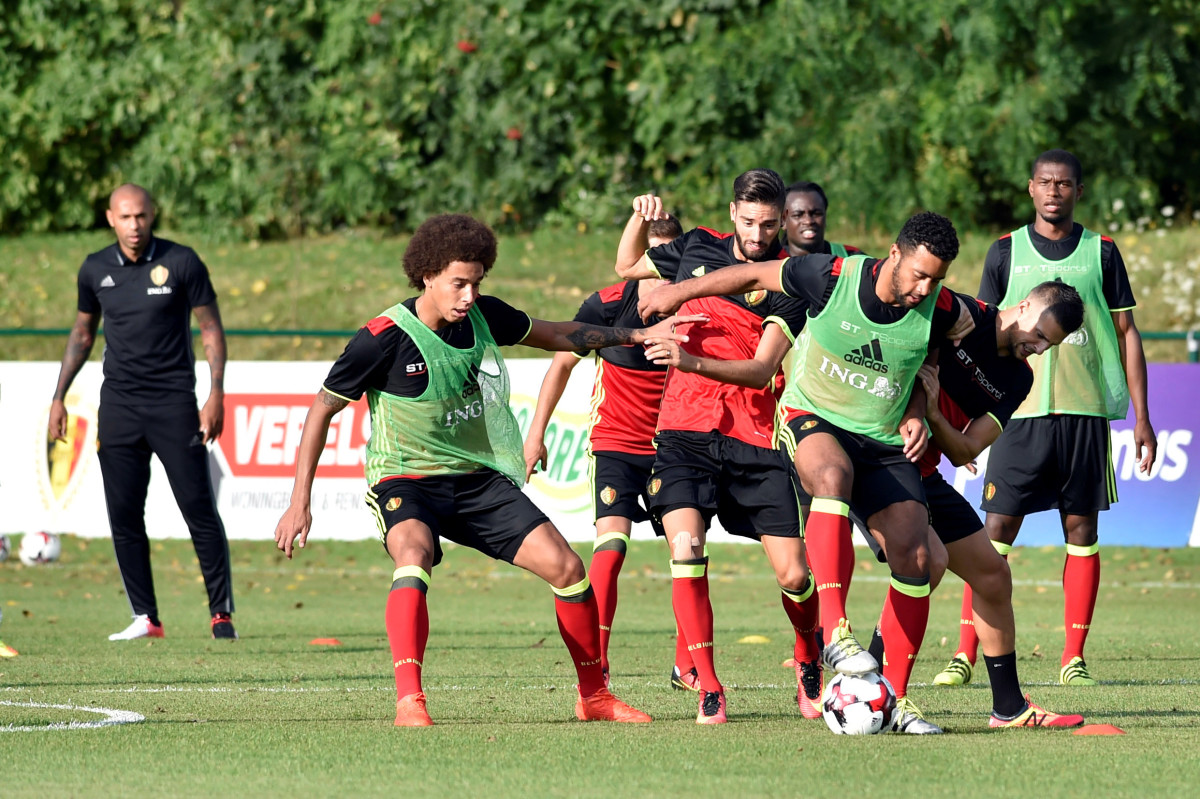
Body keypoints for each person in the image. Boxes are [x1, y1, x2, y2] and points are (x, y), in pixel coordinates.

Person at [273, 213, 699, 727]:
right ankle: (410, 701)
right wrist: (300, 502)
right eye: (459, 283)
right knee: (413, 555)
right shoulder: (382, 337)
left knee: (568, 569)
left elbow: (559, 334)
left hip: (475, 481)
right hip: (406, 479)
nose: (470, 295)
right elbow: (321, 408)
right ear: (427, 276)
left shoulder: (483, 315)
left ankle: (594, 697)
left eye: (477, 282)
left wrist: (635, 334)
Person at [640, 211, 974, 733]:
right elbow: (751, 275)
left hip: (881, 438)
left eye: (937, 278)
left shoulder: (943, 307)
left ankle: (897, 700)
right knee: (831, 476)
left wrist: (914, 413)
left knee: (920, 557)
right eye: (919, 273)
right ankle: (835, 631)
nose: (925, 287)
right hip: (812, 417)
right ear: (894, 254)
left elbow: (933, 359)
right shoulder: (832, 275)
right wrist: (675, 294)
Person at [935, 149, 1156, 688]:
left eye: (1065, 183)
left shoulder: (1101, 251)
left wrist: (1142, 416)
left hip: (1084, 412)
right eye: (1046, 182)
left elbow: (1127, 333)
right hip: (1019, 414)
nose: (1054, 190)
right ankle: (965, 653)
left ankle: (1073, 657)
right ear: (1030, 188)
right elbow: (979, 332)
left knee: (1081, 529)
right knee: (994, 532)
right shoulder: (1004, 250)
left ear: (1078, 191)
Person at [614, 169, 823, 725]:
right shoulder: (696, 247)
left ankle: (809, 660)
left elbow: (759, 372)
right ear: (733, 213)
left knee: (795, 577)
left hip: (755, 436)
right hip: (684, 431)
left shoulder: (792, 278)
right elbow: (626, 266)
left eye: (770, 224)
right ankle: (708, 685)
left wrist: (689, 360)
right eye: (750, 222)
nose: (758, 235)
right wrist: (640, 216)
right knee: (685, 550)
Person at [867, 281, 1088, 728]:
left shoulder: (1019, 378)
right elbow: (900, 306)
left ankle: (1007, 708)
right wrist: (918, 400)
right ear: (1024, 305)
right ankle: (884, 691)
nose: (1040, 349)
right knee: (926, 564)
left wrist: (932, 415)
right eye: (1041, 335)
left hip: (925, 470)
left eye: (1051, 346)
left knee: (992, 574)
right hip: (879, 459)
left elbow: (966, 450)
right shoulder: (966, 316)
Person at [48, 184, 236, 642]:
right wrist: (58, 396)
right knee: (125, 514)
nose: (135, 226)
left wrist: (216, 393)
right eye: (126, 217)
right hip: (119, 407)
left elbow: (210, 328)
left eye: (142, 217)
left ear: (154, 216)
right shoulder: (94, 269)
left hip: (174, 404)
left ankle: (221, 615)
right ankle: (145, 618)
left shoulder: (182, 261)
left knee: (198, 508)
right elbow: (82, 334)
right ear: (110, 218)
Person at [523, 214, 683, 684]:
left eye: (671, 259)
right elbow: (560, 367)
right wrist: (536, 435)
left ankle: (687, 665)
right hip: (615, 442)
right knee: (611, 547)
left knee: (685, 552)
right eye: (652, 261)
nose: (662, 271)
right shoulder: (607, 305)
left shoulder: (700, 305)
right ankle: (598, 663)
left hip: (675, 445)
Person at [782, 181, 863, 258]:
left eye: (816, 214)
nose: (808, 221)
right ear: (783, 221)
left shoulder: (852, 258)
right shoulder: (771, 262)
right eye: (798, 215)